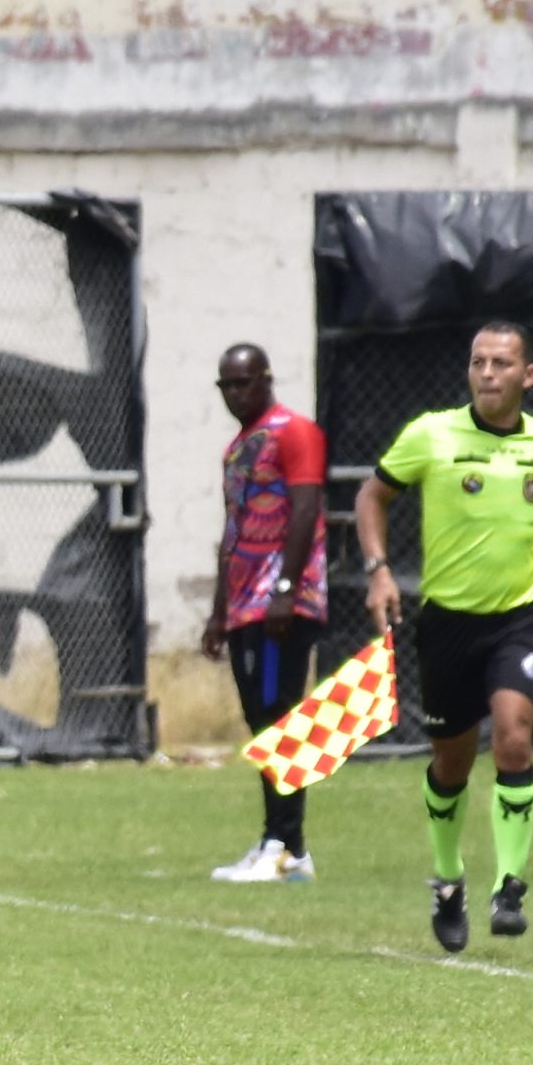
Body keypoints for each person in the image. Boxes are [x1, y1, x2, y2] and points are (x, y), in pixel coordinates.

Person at [355, 322, 533, 951]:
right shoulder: (432, 434)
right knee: (452, 764)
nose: (487, 373)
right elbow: (371, 496)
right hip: (448, 623)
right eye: (477, 362)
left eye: (501, 363)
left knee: (514, 741)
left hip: (521, 615)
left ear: (529, 376)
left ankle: (510, 886)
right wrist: (379, 571)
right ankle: (447, 880)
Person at [199, 344, 327, 883]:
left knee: (280, 716)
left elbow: (304, 508)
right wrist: (216, 611)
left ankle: (284, 845)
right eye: (226, 385)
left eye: (243, 383)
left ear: (267, 380)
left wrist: (285, 587)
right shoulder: (238, 447)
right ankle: (284, 845)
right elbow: (233, 531)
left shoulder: (292, 432)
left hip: (280, 600)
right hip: (244, 601)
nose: (235, 394)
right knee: (261, 720)